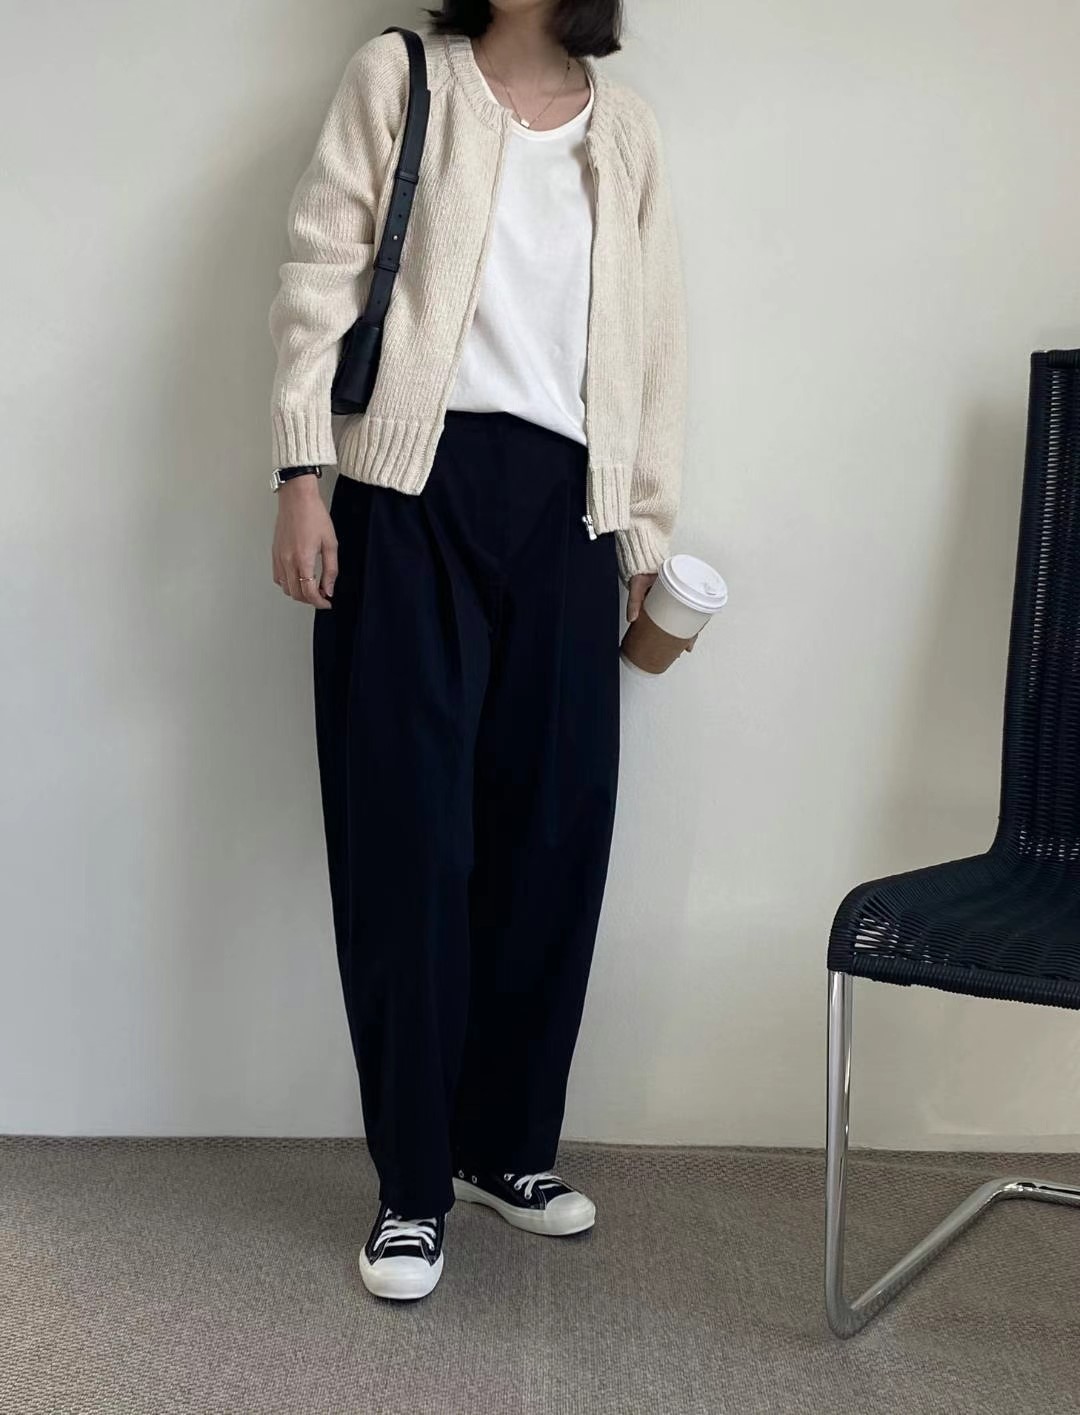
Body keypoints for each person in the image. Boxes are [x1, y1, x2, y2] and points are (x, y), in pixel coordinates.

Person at [268, 0, 687, 1301]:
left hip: (568, 511)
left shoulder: (626, 130)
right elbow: (320, 265)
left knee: (553, 833)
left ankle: (504, 1147)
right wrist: (301, 468)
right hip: (408, 492)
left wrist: (644, 529)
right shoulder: (400, 77)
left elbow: (654, 345)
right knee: (409, 838)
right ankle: (411, 1183)